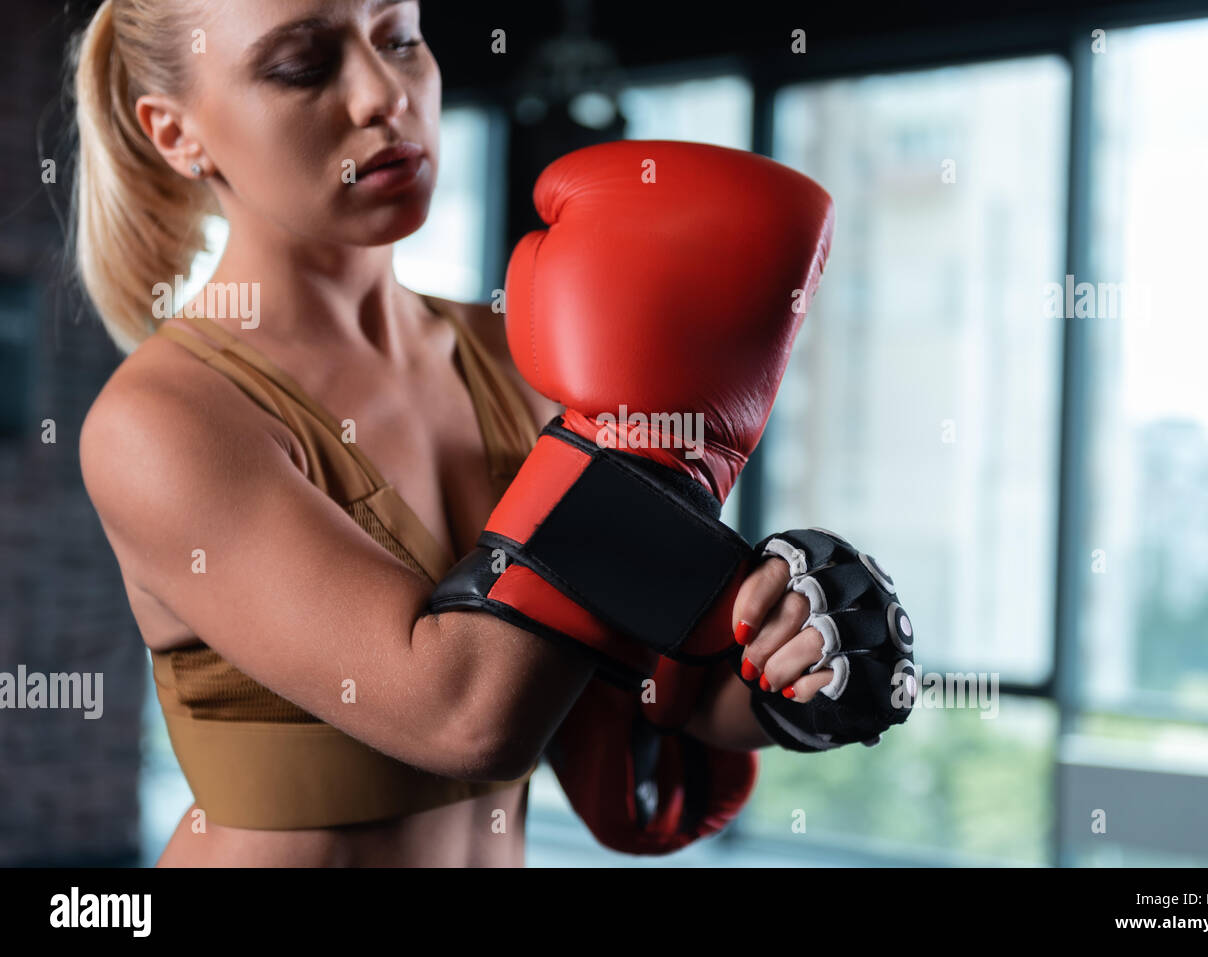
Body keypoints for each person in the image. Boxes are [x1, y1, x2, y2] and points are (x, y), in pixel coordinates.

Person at [70, 0, 912, 868]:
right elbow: (463, 711)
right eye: (301, 66)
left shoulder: (517, 361)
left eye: (400, 38)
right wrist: (650, 431)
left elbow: (655, 693)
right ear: (176, 135)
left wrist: (809, 663)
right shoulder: (163, 420)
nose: (381, 94)